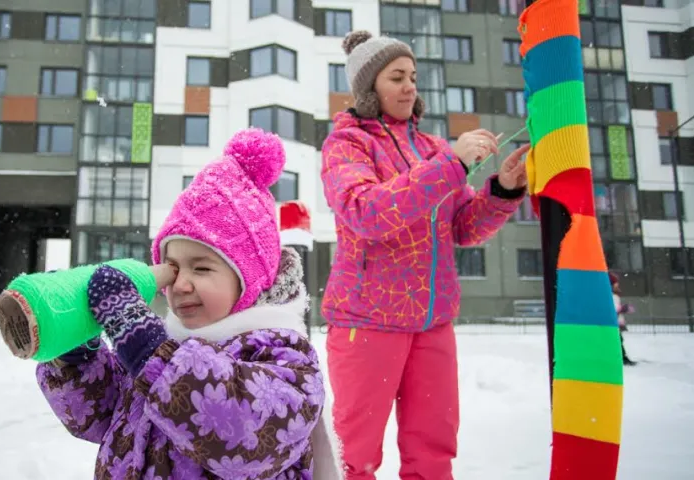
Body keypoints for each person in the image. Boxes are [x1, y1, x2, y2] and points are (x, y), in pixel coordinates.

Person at [36, 128, 342, 479]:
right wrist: (77, 352)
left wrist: (150, 353)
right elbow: (96, 414)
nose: (181, 284)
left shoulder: (284, 356)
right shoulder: (164, 348)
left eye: (201, 267)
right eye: (173, 268)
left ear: (250, 279)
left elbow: (243, 432)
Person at [320, 30, 530, 480]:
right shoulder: (348, 144)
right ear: (368, 87)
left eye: (412, 76)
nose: (410, 87)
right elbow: (366, 212)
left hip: (432, 322)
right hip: (368, 320)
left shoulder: (432, 148)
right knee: (355, 457)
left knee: (434, 453)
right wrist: (451, 166)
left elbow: (463, 227)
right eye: (397, 77)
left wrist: (504, 190)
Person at [610, 272, 636, 366]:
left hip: (616, 323)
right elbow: (613, 309)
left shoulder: (614, 295)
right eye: (616, 283)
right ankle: (622, 358)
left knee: (618, 340)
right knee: (618, 341)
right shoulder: (611, 296)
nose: (617, 284)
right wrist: (622, 309)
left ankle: (622, 358)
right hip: (613, 324)